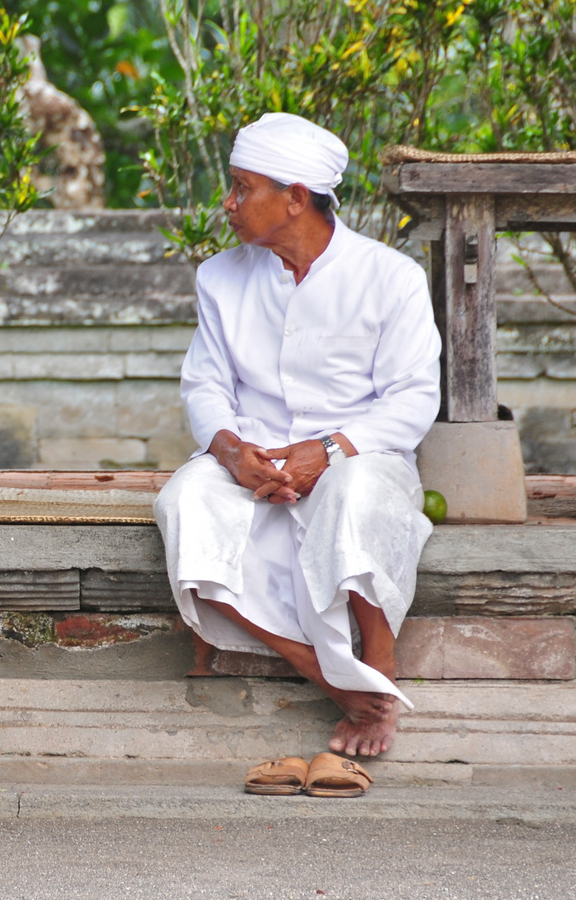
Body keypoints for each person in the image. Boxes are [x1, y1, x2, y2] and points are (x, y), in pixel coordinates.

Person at [153, 112, 441, 764]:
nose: (227, 203)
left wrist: (330, 450)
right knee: (183, 504)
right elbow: (206, 386)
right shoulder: (219, 277)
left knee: (358, 493)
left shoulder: (390, 278)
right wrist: (231, 454)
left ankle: (379, 658)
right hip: (250, 454)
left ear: (295, 198)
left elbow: (415, 399)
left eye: (240, 187)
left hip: (357, 452)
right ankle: (324, 673)